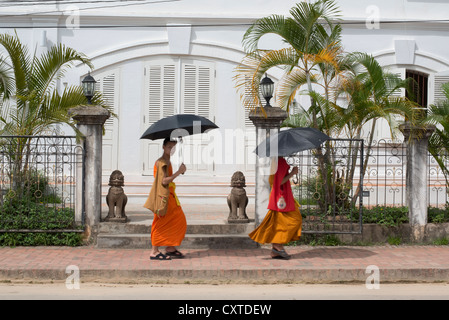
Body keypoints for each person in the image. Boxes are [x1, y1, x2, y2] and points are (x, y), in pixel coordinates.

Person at [248, 157, 302, 260]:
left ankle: (276, 250)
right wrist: (292, 173)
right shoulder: (279, 161)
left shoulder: (276, 161)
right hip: (281, 196)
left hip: (280, 194)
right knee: (294, 220)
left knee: (278, 222)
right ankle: (278, 246)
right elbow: (279, 182)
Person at [144, 137, 187, 261]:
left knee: (178, 220)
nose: (171, 150)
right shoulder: (162, 162)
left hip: (170, 195)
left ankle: (170, 248)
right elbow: (164, 181)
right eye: (169, 147)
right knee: (160, 222)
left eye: (173, 147)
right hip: (163, 196)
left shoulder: (168, 160)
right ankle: (154, 251)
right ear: (163, 147)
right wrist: (179, 172)